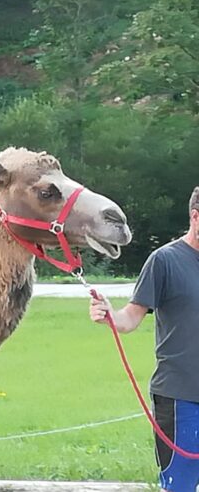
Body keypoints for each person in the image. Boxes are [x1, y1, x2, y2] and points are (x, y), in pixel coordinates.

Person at [89, 186, 199, 492]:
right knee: (180, 486)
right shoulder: (164, 261)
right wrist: (110, 315)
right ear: (195, 217)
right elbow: (131, 318)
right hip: (180, 398)